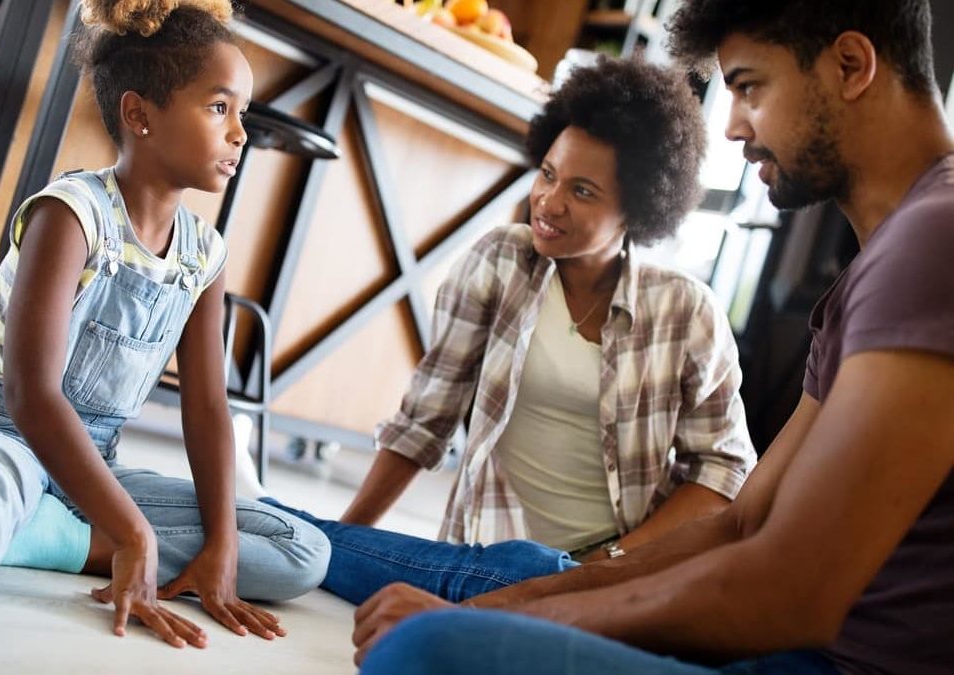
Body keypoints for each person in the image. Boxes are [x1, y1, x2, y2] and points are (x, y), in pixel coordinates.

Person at [2, 55, 758, 610]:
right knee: (302, 541)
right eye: (549, 173)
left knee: (302, 537)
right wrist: (346, 538)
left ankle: (94, 512)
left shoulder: (684, 313)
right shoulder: (500, 262)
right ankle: (132, 510)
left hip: (609, 574)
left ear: (643, 211)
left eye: (582, 191)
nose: (548, 202)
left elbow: (721, 478)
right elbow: (422, 425)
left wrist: (608, 571)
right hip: (475, 555)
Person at [348, 1, 954, 674]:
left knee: (426, 646)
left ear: (849, 65)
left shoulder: (932, 240)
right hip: (797, 643)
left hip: (828, 663)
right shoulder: (878, 264)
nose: (731, 127)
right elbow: (740, 523)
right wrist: (516, 601)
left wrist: (487, 619)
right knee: (503, 573)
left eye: (750, 87)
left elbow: (786, 593)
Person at [0, 1, 331, 671]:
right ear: (140, 115)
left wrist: (221, 540)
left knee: (299, 550)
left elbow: (207, 407)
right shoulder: (71, 214)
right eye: (220, 107)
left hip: (90, 468)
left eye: (243, 112)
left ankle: (38, 535)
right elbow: (29, 393)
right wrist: (133, 530)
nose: (240, 134)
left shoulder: (202, 253)